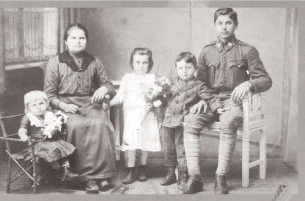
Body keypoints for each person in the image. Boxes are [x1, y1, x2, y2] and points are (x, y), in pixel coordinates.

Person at [182, 8, 272, 194]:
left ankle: (220, 177)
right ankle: (195, 177)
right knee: (190, 121)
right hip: (210, 101)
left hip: (235, 103)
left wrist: (248, 84)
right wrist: (207, 101)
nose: (224, 27)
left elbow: (265, 80)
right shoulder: (206, 52)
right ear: (215, 26)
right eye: (220, 23)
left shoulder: (247, 50)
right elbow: (200, 82)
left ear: (235, 25)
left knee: (228, 121)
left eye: (228, 23)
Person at [44, 23, 117, 194]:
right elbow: (49, 94)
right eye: (73, 38)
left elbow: (109, 85)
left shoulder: (94, 61)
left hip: (89, 104)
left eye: (82, 38)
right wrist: (62, 105)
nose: (78, 41)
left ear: (86, 41)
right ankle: (87, 178)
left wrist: (104, 88)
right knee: (76, 126)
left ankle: (103, 175)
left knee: (101, 123)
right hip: (65, 106)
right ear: (66, 42)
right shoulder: (55, 62)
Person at [106, 47, 161, 184]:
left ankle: (143, 167)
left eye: (144, 63)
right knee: (130, 142)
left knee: (144, 141)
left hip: (148, 115)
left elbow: (158, 96)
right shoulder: (128, 78)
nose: (141, 66)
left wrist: (155, 103)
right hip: (131, 115)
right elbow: (120, 96)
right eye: (138, 62)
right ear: (132, 63)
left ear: (149, 64)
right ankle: (130, 169)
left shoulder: (152, 78)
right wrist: (108, 104)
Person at [160, 52, 213, 192]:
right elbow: (164, 99)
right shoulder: (170, 83)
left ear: (195, 69)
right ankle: (171, 173)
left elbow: (209, 97)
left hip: (182, 120)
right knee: (168, 148)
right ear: (176, 68)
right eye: (181, 68)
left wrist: (208, 103)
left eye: (188, 68)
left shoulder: (198, 85)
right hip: (168, 118)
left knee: (181, 148)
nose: (184, 71)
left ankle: (183, 175)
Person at [17, 90, 78, 183]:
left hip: (52, 141)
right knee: (53, 150)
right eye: (34, 105)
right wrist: (23, 135)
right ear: (28, 107)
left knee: (61, 149)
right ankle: (58, 172)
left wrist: (56, 129)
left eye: (41, 103)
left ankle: (66, 171)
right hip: (37, 144)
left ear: (46, 103)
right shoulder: (28, 117)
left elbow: (56, 125)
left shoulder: (49, 114)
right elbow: (22, 129)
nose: (39, 107)